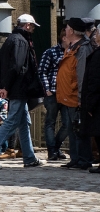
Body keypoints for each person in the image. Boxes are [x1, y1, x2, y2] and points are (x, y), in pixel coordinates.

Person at [0, 14, 44, 169]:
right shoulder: (21, 41)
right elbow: (17, 66)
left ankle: (29, 157)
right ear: (27, 25)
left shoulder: (10, 39)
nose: (33, 29)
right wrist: (6, 87)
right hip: (19, 87)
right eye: (33, 26)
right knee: (13, 120)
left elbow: (1, 66)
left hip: (15, 87)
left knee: (23, 122)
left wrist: (3, 85)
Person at [57, 17, 95, 170]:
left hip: (75, 95)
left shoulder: (83, 48)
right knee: (72, 128)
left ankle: (84, 159)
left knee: (80, 129)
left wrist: (81, 97)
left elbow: (82, 74)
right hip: (67, 95)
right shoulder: (72, 46)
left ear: (72, 30)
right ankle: (75, 157)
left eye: (67, 28)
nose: (65, 30)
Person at [38, 32, 69, 161]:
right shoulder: (50, 52)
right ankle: (52, 151)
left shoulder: (71, 53)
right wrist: (47, 89)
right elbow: (42, 71)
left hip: (66, 93)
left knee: (68, 123)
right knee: (50, 122)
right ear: (64, 38)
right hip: (53, 93)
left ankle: (55, 147)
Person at [79, 26, 100, 173]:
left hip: (97, 102)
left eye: (97, 33)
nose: (95, 35)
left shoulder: (98, 55)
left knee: (98, 133)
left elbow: (94, 80)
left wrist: (90, 104)